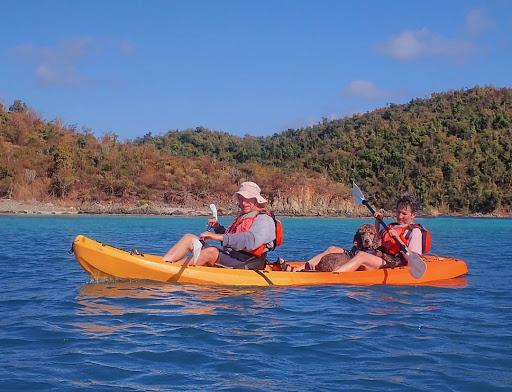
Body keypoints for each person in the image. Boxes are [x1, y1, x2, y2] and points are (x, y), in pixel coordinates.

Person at [162, 181, 277, 270]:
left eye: (248, 199)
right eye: (241, 199)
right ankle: (164, 264)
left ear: (256, 200)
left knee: (211, 252)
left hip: (247, 263)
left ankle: (169, 270)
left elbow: (250, 240)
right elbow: (232, 238)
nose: (243, 203)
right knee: (189, 238)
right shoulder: (245, 216)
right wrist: (218, 228)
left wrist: (217, 237)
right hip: (231, 256)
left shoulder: (264, 219)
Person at [331, 193, 430, 273]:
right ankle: (317, 268)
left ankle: (334, 276)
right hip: (381, 258)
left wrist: (398, 238)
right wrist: (378, 221)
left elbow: (412, 259)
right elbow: (376, 242)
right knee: (334, 249)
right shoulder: (392, 227)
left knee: (361, 256)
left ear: (413, 214)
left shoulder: (415, 232)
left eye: (404, 214)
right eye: (398, 212)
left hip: (395, 263)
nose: (399, 216)